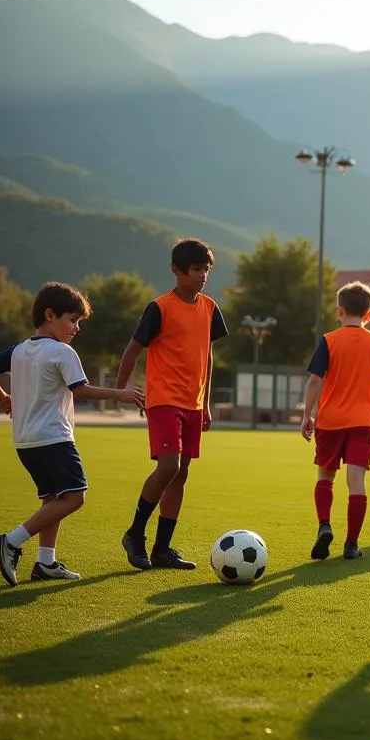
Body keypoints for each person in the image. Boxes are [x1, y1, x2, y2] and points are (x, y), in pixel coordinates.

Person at [0, 282, 145, 586]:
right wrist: (119, 393)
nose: (77, 328)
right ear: (49, 314)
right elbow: (80, 390)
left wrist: (3, 397)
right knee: (74, 498)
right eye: (73, 319)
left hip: (25, 441)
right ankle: (11, 542)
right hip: (54, 438)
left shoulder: (19, 351)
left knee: (52, 499)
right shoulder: (62, 352)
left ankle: (46, 563)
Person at [116, 239, 228, 571]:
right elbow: (133, 349)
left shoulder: (209, 308)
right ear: (176, 270)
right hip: (164, 400)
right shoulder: (159, 307)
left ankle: (162, 549)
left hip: (193, 404)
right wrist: (121, 390)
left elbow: (207, 357)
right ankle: (135, 535)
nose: (203, 275)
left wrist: (205, 403)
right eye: (196, 269)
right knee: (169, 467)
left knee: (181, 475)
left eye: (207, 269)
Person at [302, 281, 370, 560]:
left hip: (329, 421)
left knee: (325, 476)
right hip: (362, 422)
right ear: (369, 315)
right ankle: (351, 544)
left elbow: (316, 379)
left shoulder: (329, 340)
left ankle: (324, 525)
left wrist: (308, 414)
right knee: (357, 481)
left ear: (339, 311)